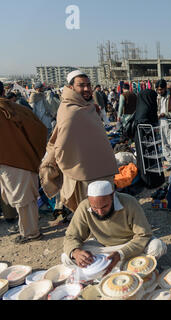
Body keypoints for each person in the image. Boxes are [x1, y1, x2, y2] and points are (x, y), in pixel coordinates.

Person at [43, 70, 118, 213]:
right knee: (91, 210)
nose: (86, 89)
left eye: (88, 85)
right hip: (84, 173)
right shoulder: (71, 110)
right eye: (81, 85)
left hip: (98, 167)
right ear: (71, 87)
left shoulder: (86, 106)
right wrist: (67, 164)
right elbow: (62, 144)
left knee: (104, 209)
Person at [61, 181, 167, 271]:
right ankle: (131, 266)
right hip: (104, 249)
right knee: (67, 257)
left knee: (157, 247)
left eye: (104, 206)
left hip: (130, 246)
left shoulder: (129, 202)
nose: (100, 212)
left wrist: (121, 254)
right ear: (89, 200)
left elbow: (144, 235)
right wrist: (76, 252)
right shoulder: (84, 206)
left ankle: (105, 267)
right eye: (95, 208)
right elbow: (71, 236)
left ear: (112, 195)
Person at [0, 80, 47, 243]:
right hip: (23, 159)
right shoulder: (17, 108)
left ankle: (31, 233)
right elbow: (40, 130)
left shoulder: (8, 109)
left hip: (13, 162)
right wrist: (33, 151)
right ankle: (30, 228)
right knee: (24, 198)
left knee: (23, 200)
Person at [133, 89, 166, 189]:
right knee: (147, 160)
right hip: (144, 140)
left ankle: (156, 178)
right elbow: (144, 124)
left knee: (154, 158)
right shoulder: (142, 114)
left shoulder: (146, 109)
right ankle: (149, 180)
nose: (154, 101)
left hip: (151, 139)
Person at [156, 79, 171, 164]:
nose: (159, 91)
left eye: (161, 89)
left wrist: (165, 114)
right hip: (161, 123)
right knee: (164, 143)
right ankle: (170, 161)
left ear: (165, 88)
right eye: (158, 90)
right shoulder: (158, 97)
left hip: (170, 124)